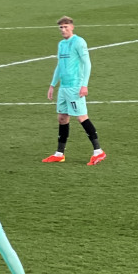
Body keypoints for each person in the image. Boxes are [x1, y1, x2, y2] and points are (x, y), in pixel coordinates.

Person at [43, 17, 106, 165]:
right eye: (61, 28)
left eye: (65, 27)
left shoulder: (79, 42)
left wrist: (84, 85)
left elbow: (87, 63)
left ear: (72, 27)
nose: (63, 30)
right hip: (63, 87)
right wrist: (52, 85)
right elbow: (59, 65)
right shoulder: (61, 44)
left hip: (75, 87)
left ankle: (98, 151)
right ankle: (59, 153)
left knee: (81, 117)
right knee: (62, 118)